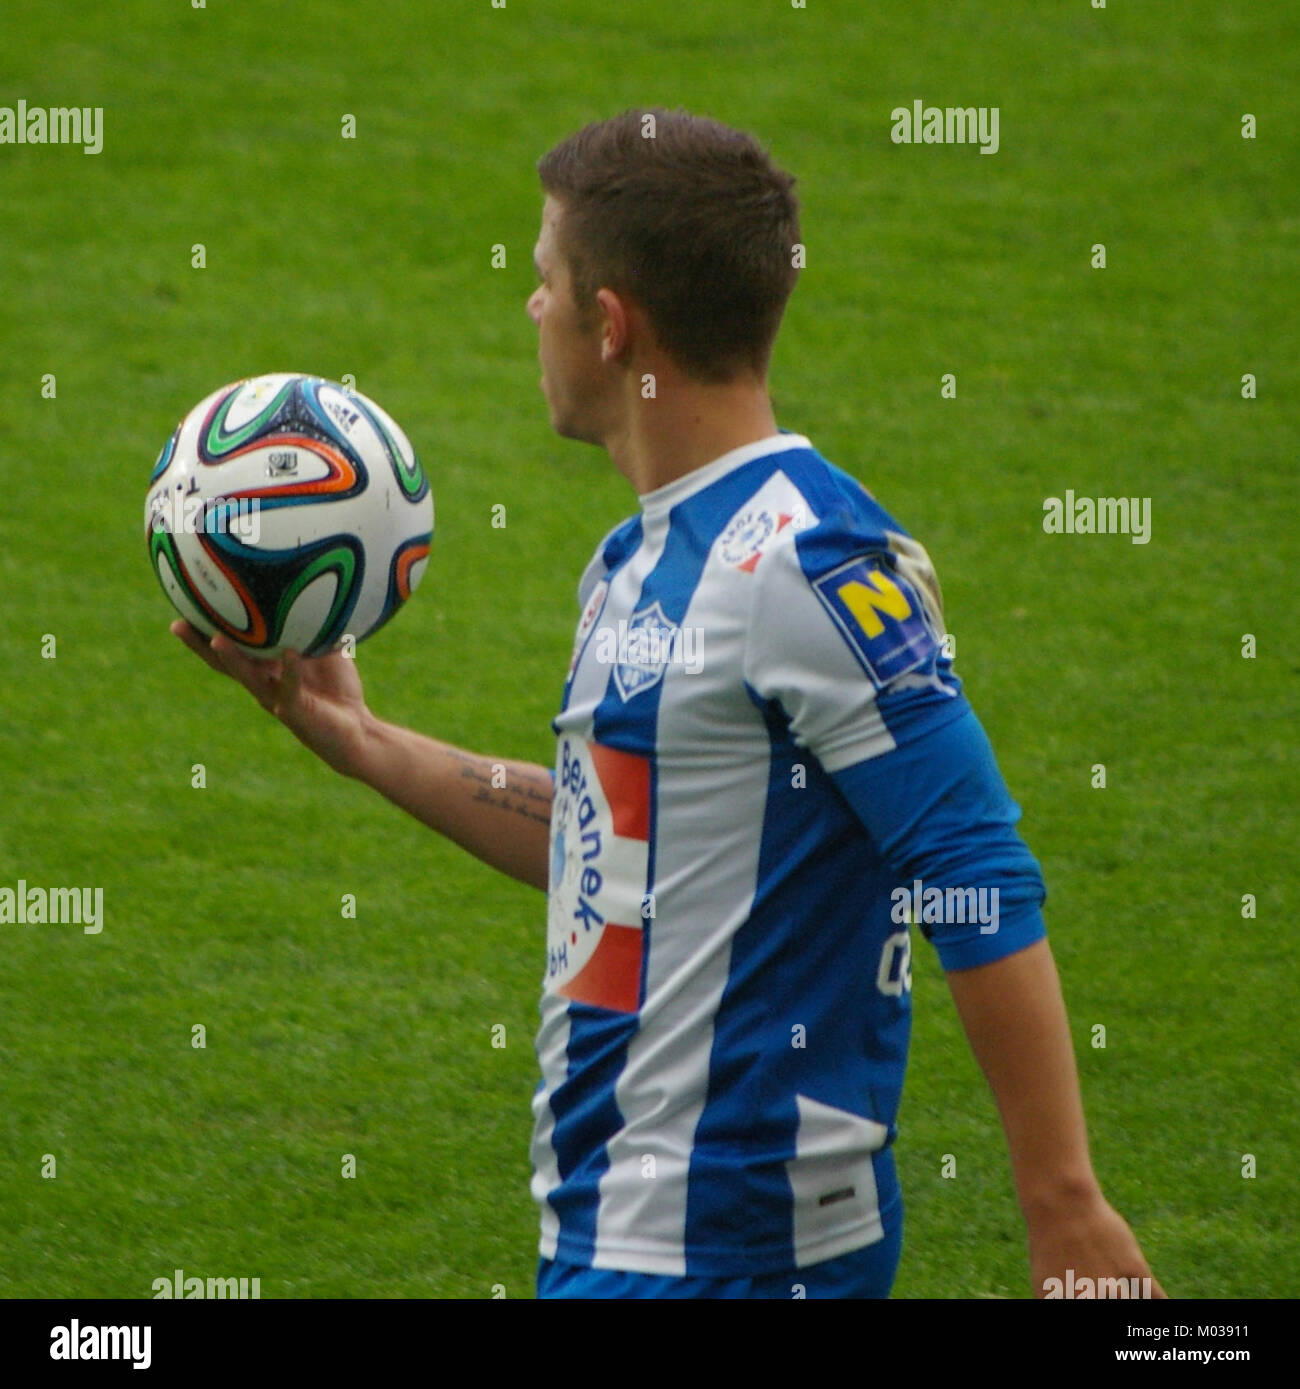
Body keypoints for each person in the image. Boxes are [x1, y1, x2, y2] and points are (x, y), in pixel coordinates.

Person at [172, 107, 1163, 1300]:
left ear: (610, 322)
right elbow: (622, 853)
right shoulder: (630, 567)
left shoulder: (803, 558)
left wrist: (1062, 1205)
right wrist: (366, 744)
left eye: (544, 281)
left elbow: (970, 862)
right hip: (622, 1235)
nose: (529, 308)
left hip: (728, 1249)